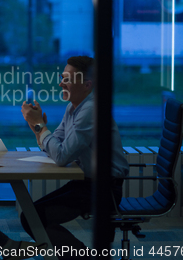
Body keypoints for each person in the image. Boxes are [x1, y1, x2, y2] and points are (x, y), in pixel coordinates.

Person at [20, 56, 129, 259]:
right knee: (31, 215)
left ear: (87, 85)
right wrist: (37, 127)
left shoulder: (90, 110)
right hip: (86, 183)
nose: (61, 83)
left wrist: (40, 127)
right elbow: (56, 146)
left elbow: (61, 156)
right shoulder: (73, 107)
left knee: (32, 218)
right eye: (62, 77)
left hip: (104, 189)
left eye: (67, 80)